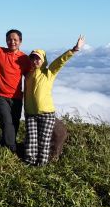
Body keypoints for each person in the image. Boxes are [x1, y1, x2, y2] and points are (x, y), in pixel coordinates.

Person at [23, 34, 85, 166]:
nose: (35, 61)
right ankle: (29, 165)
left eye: (38, 58)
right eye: (33, 58)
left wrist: (74, 50)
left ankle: (41, 167)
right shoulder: (28, 74)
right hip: (31, 114)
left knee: (44, 143)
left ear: (43, 60)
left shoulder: (49, 72)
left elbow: (60, 61)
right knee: (31, 143)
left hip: (47, 114)